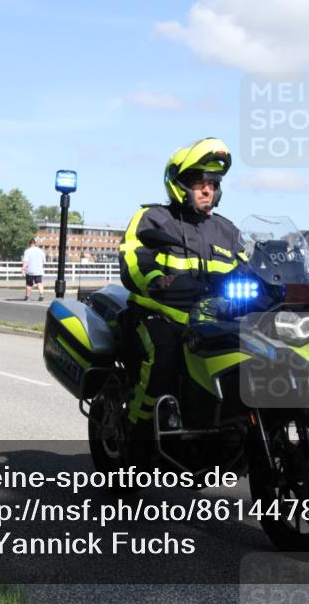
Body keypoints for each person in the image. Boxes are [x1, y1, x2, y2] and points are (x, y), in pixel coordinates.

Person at [118, 138, 248, 438]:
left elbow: (246, 267)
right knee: (163, 354)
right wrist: (154, 281)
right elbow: (134, 258)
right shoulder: (153, 218)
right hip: (159, 315)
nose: (207, 190)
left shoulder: (227, 230)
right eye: (200, 183)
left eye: (213, 184)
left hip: (212, 320)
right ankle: (136, 431)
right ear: (179, 184)